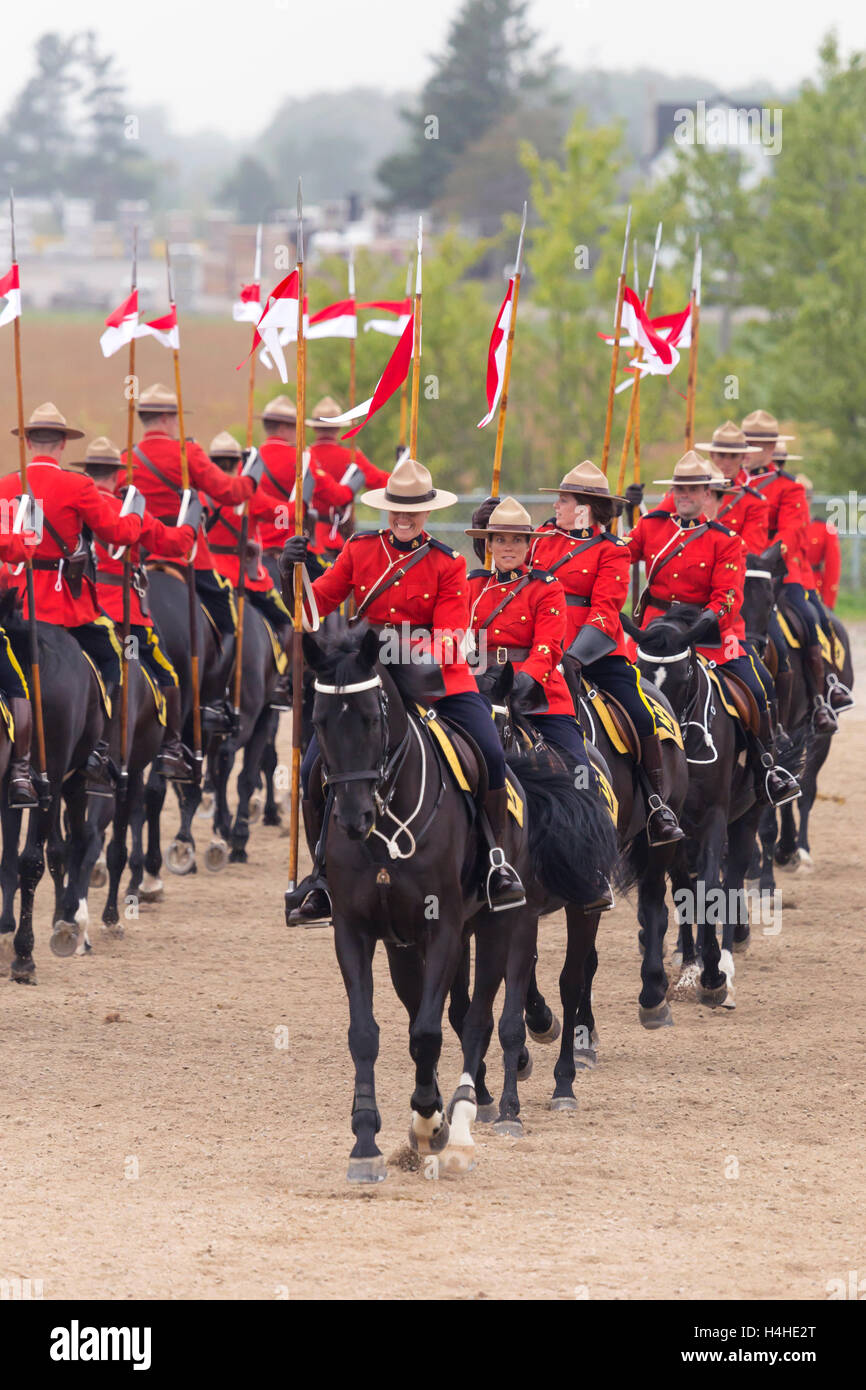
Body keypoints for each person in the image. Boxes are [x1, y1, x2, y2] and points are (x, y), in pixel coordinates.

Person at [280, 456, 525, 923]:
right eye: (397, 507)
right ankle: (322, 877)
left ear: (428, 511)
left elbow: (454, 636)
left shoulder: (447, 562)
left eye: (413, 508)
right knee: (313, 767)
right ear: (387, 508)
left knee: (490, 753)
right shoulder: (359, 550)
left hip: (434, 679)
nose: (404, 516)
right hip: (366, 678)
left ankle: (495, 861)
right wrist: (291, 573)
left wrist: (395, 651)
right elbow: (313, 608)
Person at [486, 460, 684, 847]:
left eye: (563, 500)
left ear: (585, 507)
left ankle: (657, 802)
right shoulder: (539, 538)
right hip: (535, 648)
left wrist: (574, 655)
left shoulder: (612, 550)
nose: (556, 506)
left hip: (592, 653)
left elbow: (606, 608)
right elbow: (509, 581)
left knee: (640, 712)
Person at [465, 496, 613, 910]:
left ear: (529, 545)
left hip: (539, 695)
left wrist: (521, 682)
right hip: (479, 690)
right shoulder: (472, 586)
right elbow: (458, 640)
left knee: (580, 770)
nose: (508, 547)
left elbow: (549, 646)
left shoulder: (547, 587)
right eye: (500, 539)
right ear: (489, 543)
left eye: (516, 540)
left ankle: (591, 871)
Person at [630, 452, 799, 806]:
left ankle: (766, 768)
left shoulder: (725, 540)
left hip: (706, 635)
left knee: (758, 685)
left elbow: (728, 595)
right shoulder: (651, 526)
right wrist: (619, 517)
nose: (684, 494)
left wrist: (707, 619)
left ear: (709, 494)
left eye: (693, 489)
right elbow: (618, 556)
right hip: (656, 635)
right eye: (680, 488)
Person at [0, 402, 144, 794]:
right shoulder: (78, 485)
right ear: (63, 442)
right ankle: (99, 750)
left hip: (15, 605)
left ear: (28, 442)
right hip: (67, 609)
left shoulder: (6, 485)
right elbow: (116, 532)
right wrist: (137, 517)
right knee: (114, 656)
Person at [124, 383, 260, 732]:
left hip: (137, 560)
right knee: (228, 621)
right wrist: (253, 474)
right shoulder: (188, 454)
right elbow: (230, 493)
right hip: (188, 558)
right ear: (170, 418)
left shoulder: (128, 457)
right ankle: (213, 699)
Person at [79, 436, 200, 780]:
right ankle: (172, 748)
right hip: (127, 620)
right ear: (117, 475)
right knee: (165, 672)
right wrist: (190, 514)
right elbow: (177, 543)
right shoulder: (129, 511)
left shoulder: (76, 504)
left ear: (87, 472)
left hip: (82, 614)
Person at [740, 410, 837, 731]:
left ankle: (821, 697)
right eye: (747, 442)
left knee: (808, 620)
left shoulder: (788, 487)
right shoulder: (725, 484)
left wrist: (764, 560)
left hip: (779, 575)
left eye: (758, 443)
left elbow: (793, 532)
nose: (751, 448)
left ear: (770, 449)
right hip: (733, 573)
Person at [206, 431, 291, 699]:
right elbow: (285, 515)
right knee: (285, 620)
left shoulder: (201, 494)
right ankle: (280, 677)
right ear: (237, 462)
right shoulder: (248, 494)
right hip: (243, 577)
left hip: (207, 574)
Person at [256, 395, 356, 581]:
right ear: (282, 428)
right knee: (335, 585)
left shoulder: (251, 459)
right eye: (295, 427)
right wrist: (353, 485)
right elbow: (338, 497)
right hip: (291, 547)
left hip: (258, 546)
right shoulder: (302, 460)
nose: (297, 432)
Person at [306, 395, 390, 559]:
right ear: (338, 428)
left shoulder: (306, 456)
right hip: (339, 537)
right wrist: (403, 468)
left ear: (315, 428)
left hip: (306, 535)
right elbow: (382, 482)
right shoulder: (351, 456)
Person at [0, 526, 42, 806]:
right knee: (122, 654)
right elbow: (23, 549)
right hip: (76, 613)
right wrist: (31, 527)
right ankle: (20, 771)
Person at [795, 464, 842, 611]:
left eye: (806, 498)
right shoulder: (780, 527)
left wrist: (828, 603)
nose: (802, 503)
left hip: (814, 588)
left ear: (811, 499)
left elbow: (832, 568)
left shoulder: (825, 528)